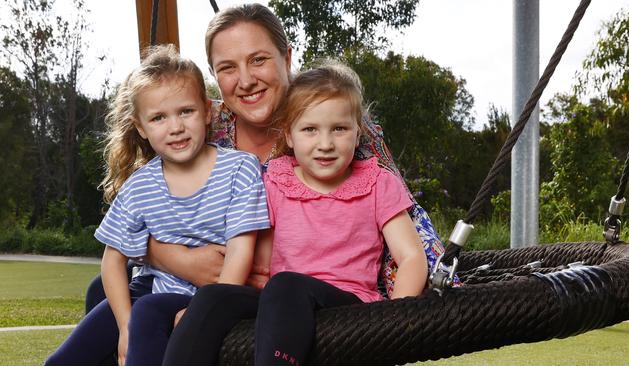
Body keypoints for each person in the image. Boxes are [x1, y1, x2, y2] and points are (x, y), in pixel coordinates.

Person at [85, 2, 446, 363]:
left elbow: (409, 235)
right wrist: (177, 259)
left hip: (309, 289)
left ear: (287, 58)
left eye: (258, 60)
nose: (245, 80)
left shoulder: (342, 123)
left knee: (276, 293)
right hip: (211, 281)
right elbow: (146, 212)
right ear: (214, 76)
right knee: (104, 291)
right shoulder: (195, 122)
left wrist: (398, 309)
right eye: (228, 67)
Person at [162, 61, 428, 366]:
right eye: (310, 130)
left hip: (348, 306)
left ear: (357, 134)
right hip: (280, 302)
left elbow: (411, 257)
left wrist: (392, 323)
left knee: (288, 284)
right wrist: (202, 313)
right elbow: (261, 265)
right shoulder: (276, 180)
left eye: (339, 129)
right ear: (289, 135)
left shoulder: (377, 182)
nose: (325, 144)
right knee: (211, 299)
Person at [45, 45, 270, 366]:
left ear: (207, 111)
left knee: (148, 316)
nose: (175, 126)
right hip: (152, 288)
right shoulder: (140, 186)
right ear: (141, 127)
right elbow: (112, 262)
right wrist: (124, 327)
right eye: (159, 118)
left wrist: (207, 310)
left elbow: (240, 250)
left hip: (217, 295)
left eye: (186, 112)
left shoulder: (239, 169)